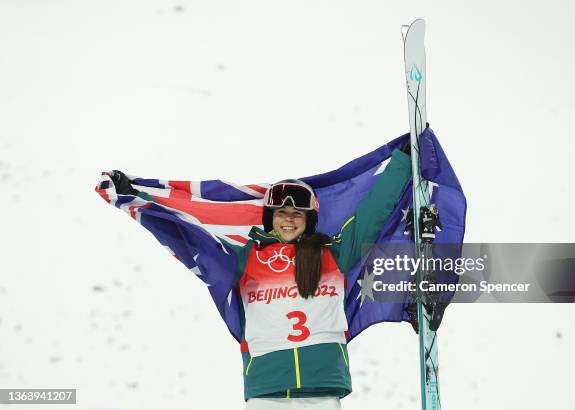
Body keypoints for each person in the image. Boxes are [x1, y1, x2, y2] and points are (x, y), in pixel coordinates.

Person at [109, 147, 412, 409]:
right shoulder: (242, 260)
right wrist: (134, 194)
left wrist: (402, 161)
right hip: (265, 393)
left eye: (297, 215)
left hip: (324, 391)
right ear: (270, 218)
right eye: (281, 213)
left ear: (309, 221)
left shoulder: (334, 255)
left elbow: (373, 213)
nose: (289, 220)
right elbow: (186, 231)